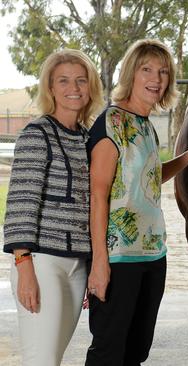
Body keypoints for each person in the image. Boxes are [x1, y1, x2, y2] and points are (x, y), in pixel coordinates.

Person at [84, 39, 188, 365]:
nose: (156, 78)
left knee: (137, 350)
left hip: (154, 255)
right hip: (118, 258)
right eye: (147, 70)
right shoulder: (111, 122)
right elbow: (98, 196)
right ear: (132, 72)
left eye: (163, 72)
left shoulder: (145, 126)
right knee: (108, 351)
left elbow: (153, 177)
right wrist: (99, 263)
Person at [3, 49, 104, 366]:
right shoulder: (37, 134)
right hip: (41, 263)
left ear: (91, 87)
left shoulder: (88, 139)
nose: (73, 88)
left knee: (52, 357)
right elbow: (21, 205)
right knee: (41, 360)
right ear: (50, 87)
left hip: (76, 267)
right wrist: (25, 269)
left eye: (80, 80)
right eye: (63, 80)